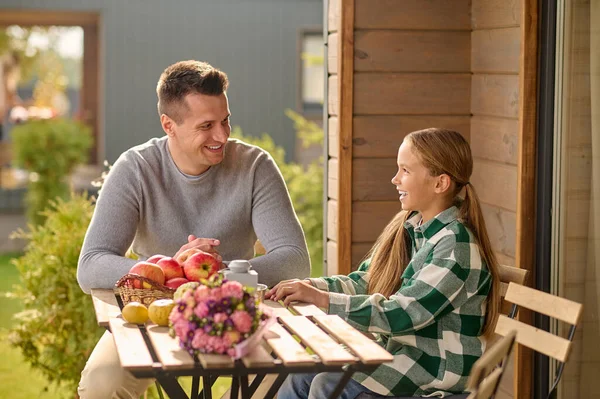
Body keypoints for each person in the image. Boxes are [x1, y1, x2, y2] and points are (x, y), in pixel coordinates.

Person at [76, 60, 310, 398]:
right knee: (102, 385)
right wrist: (171, 271)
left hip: (238, 314)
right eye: (207, 126)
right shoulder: (135, 169)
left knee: (289, 373)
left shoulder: (254, 166)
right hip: (154, 314)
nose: (222, 135)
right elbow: (90, 265)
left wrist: (215, 278)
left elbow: (295, 260)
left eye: (225, 120)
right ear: (169, 125)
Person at [268, 128, 500, 398]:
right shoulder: (415, 230)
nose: (395, 179)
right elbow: (365, 281)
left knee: (328, 386)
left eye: (405, 170)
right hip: (402, 358)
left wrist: (322, 300)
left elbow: (404, 313)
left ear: (440, 183)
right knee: (304, 374)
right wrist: (310, 286)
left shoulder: (455, 245)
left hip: (434, 375)